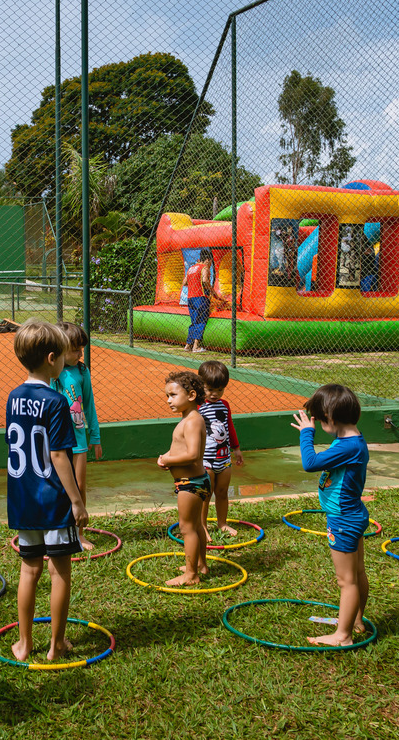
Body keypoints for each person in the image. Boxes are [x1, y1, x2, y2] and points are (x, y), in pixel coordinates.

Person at [6, 319, 88, 662]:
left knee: (29, 570)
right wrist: (76, 500)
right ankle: (56, 645)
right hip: (53, 501)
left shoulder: (14, 397)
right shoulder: (55, 401)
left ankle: (24, 643)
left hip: (23, 499)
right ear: (52, 358)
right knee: (60, 573)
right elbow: (57, 454)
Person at [290, 384, 369, 646]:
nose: (317, 423)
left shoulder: (348, 447)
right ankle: (355, 620)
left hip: (343, 519)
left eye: (320, 419)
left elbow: (309, 463)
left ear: (331, 419)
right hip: (352, 514)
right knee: (357, 573)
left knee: (346, 580)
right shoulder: (351, 440)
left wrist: (306, 434)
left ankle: (342, 635)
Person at [157, 370, 210, 586]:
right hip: (192, 482)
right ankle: (201, 565)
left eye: (173, 395)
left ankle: (191, 575)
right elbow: (183, 450)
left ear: (191, 395)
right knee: (196, 526)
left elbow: (193, 454)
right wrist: (168, 457)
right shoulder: (188, 418)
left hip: (191, 484)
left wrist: (169, 460)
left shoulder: (192, 421)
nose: (169, 400)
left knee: (187, 528)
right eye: (167, 396)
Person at [54, 321, 102, 551]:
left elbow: (89, 405)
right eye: (75, 349)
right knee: (59, 485)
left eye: (81, 348)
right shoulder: (52, 373)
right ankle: (57, 528)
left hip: (79, 437)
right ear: (59, 349)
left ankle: (79, 533)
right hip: (56, 439)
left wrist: (96, 437)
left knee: (80, 484)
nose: (80, 353)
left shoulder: (82, 371)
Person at [197, 360, 244, 538]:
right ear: (201, 386)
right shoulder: (198, 407)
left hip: (224, 459)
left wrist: (236, 449)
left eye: (220, 390)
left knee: (223, 492)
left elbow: (229, 427)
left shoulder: (224, 405)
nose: (215, 394)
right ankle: (202, 527)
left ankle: (222, 523)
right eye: (210, 390)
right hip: (205, 460)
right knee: (206, 494)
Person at [182, 250, 230, 353]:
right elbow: (204, 281)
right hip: (201, 297)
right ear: (208, 260)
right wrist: (213, 292)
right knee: (201, 321)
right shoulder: (204, 268)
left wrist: (194, 284)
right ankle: (196, 346)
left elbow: (184, 283)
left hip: (190, 298)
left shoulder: (191, 268)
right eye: (211, 262)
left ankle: (187, 345)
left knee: (194, 321)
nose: (210, 265)